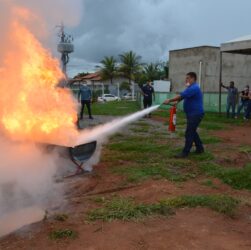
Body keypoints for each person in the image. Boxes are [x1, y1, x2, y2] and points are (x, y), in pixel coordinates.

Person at [164, 72, 204, 158]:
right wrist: (176, 102)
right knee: (192, 131)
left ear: (193, 79)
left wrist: (169, 100)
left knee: (189, 133)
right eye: (186, 78)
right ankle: (200, 149)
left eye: (188, 78)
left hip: (195, 114)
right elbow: (183, 96)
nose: (186, 80)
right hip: (192, 114)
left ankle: (185, 153)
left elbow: (181, 95)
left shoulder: (194, 88)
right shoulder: (190, 88)